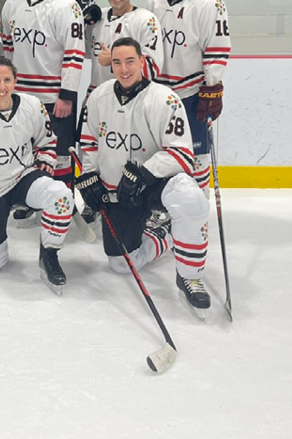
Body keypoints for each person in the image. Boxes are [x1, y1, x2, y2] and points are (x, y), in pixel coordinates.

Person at [75, 37, 211, 317]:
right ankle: (167, 234)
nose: (123, 69)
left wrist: (146, 173)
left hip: (155, 184)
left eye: (130, 61)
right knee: (121, 263)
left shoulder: (164, 98)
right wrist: (90, 175)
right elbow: (89, 141)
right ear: (110, 65)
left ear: (142, 62)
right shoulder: (98, 96)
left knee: (191, 198)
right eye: (116, 62)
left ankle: (190, 275)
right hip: (119, 192)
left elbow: (183, 154)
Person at [0, 57, 75, 294]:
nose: (2, 86)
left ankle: (49, 253)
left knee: (60, 195)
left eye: (7, 80)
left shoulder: (33, 105)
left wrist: (45, 161)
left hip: (23, 178)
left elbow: (47, 141)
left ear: (15, 81)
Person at [0, 0, 85, 195]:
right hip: (21, 97)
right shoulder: (14, 1)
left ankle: (61, 203)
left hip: (54, 98)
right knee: (24, 152)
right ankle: (30, 201)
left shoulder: (67, 7)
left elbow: (74, 53)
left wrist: (67, 95)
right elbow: (7, 46)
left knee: (59, 155)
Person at [144, 0, 230, 193]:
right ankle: (161, 203)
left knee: (197, 153)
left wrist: (212, 87)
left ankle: (198, 205)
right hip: (158, 92)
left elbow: (217, 45)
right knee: (159, 152)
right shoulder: (154, 1)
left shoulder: (209, 4)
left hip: (191, 92)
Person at [87, 0, 164, 93]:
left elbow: (152, 68)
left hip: (131, 99)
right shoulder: (97, 17)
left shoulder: (146, 20)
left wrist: (114, 60)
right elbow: (83, 51)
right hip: (97, 95)